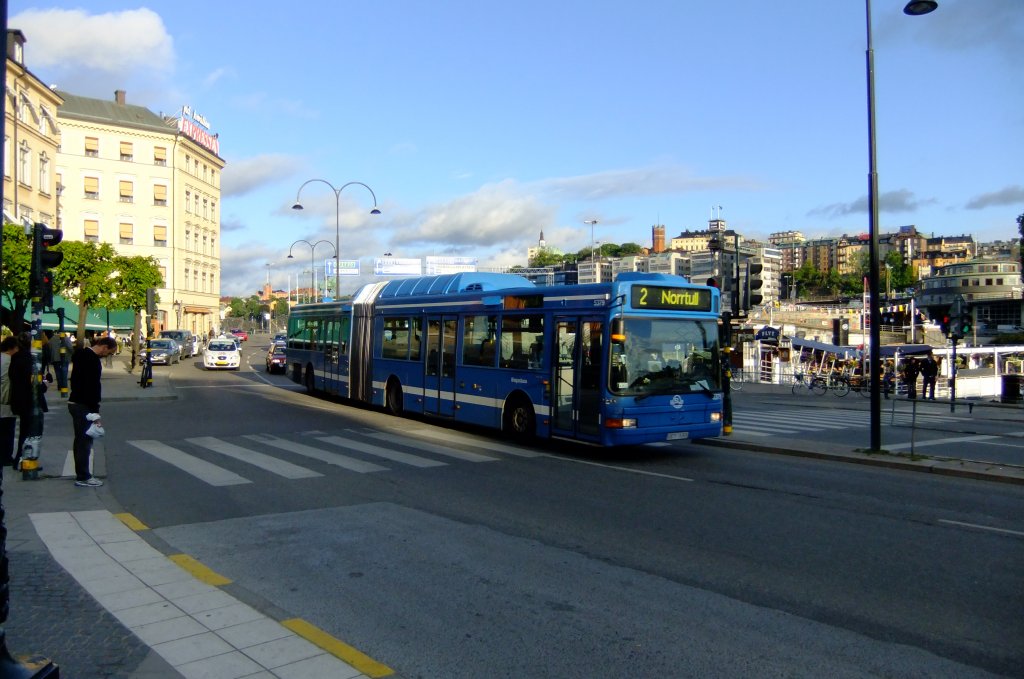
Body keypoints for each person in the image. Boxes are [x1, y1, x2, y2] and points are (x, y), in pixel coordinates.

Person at [68, 336, 117, 487]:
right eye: (109, 352)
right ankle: (83, 476)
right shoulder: (92, 360)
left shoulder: (81, 355)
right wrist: (95, 412)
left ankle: (82, 473)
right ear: (104, 347)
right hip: (85, 404)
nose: (107, 355)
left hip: (75, 401)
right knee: (85, 441)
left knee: (80, 441)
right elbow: (92, 386)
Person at [9, 332, 47, 469]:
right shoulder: (30, 359)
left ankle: (21, 458)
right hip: (30, 399)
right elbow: (33, 381)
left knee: (25, 430)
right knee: (32, 431)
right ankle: (26, 460)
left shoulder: (16, 358)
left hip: (19, 399)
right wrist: (43, 386)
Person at [0, 336, 20, 466]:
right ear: (12, 348)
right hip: (5, 400)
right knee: (7, 430)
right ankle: (6, 457)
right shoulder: (9, 361)